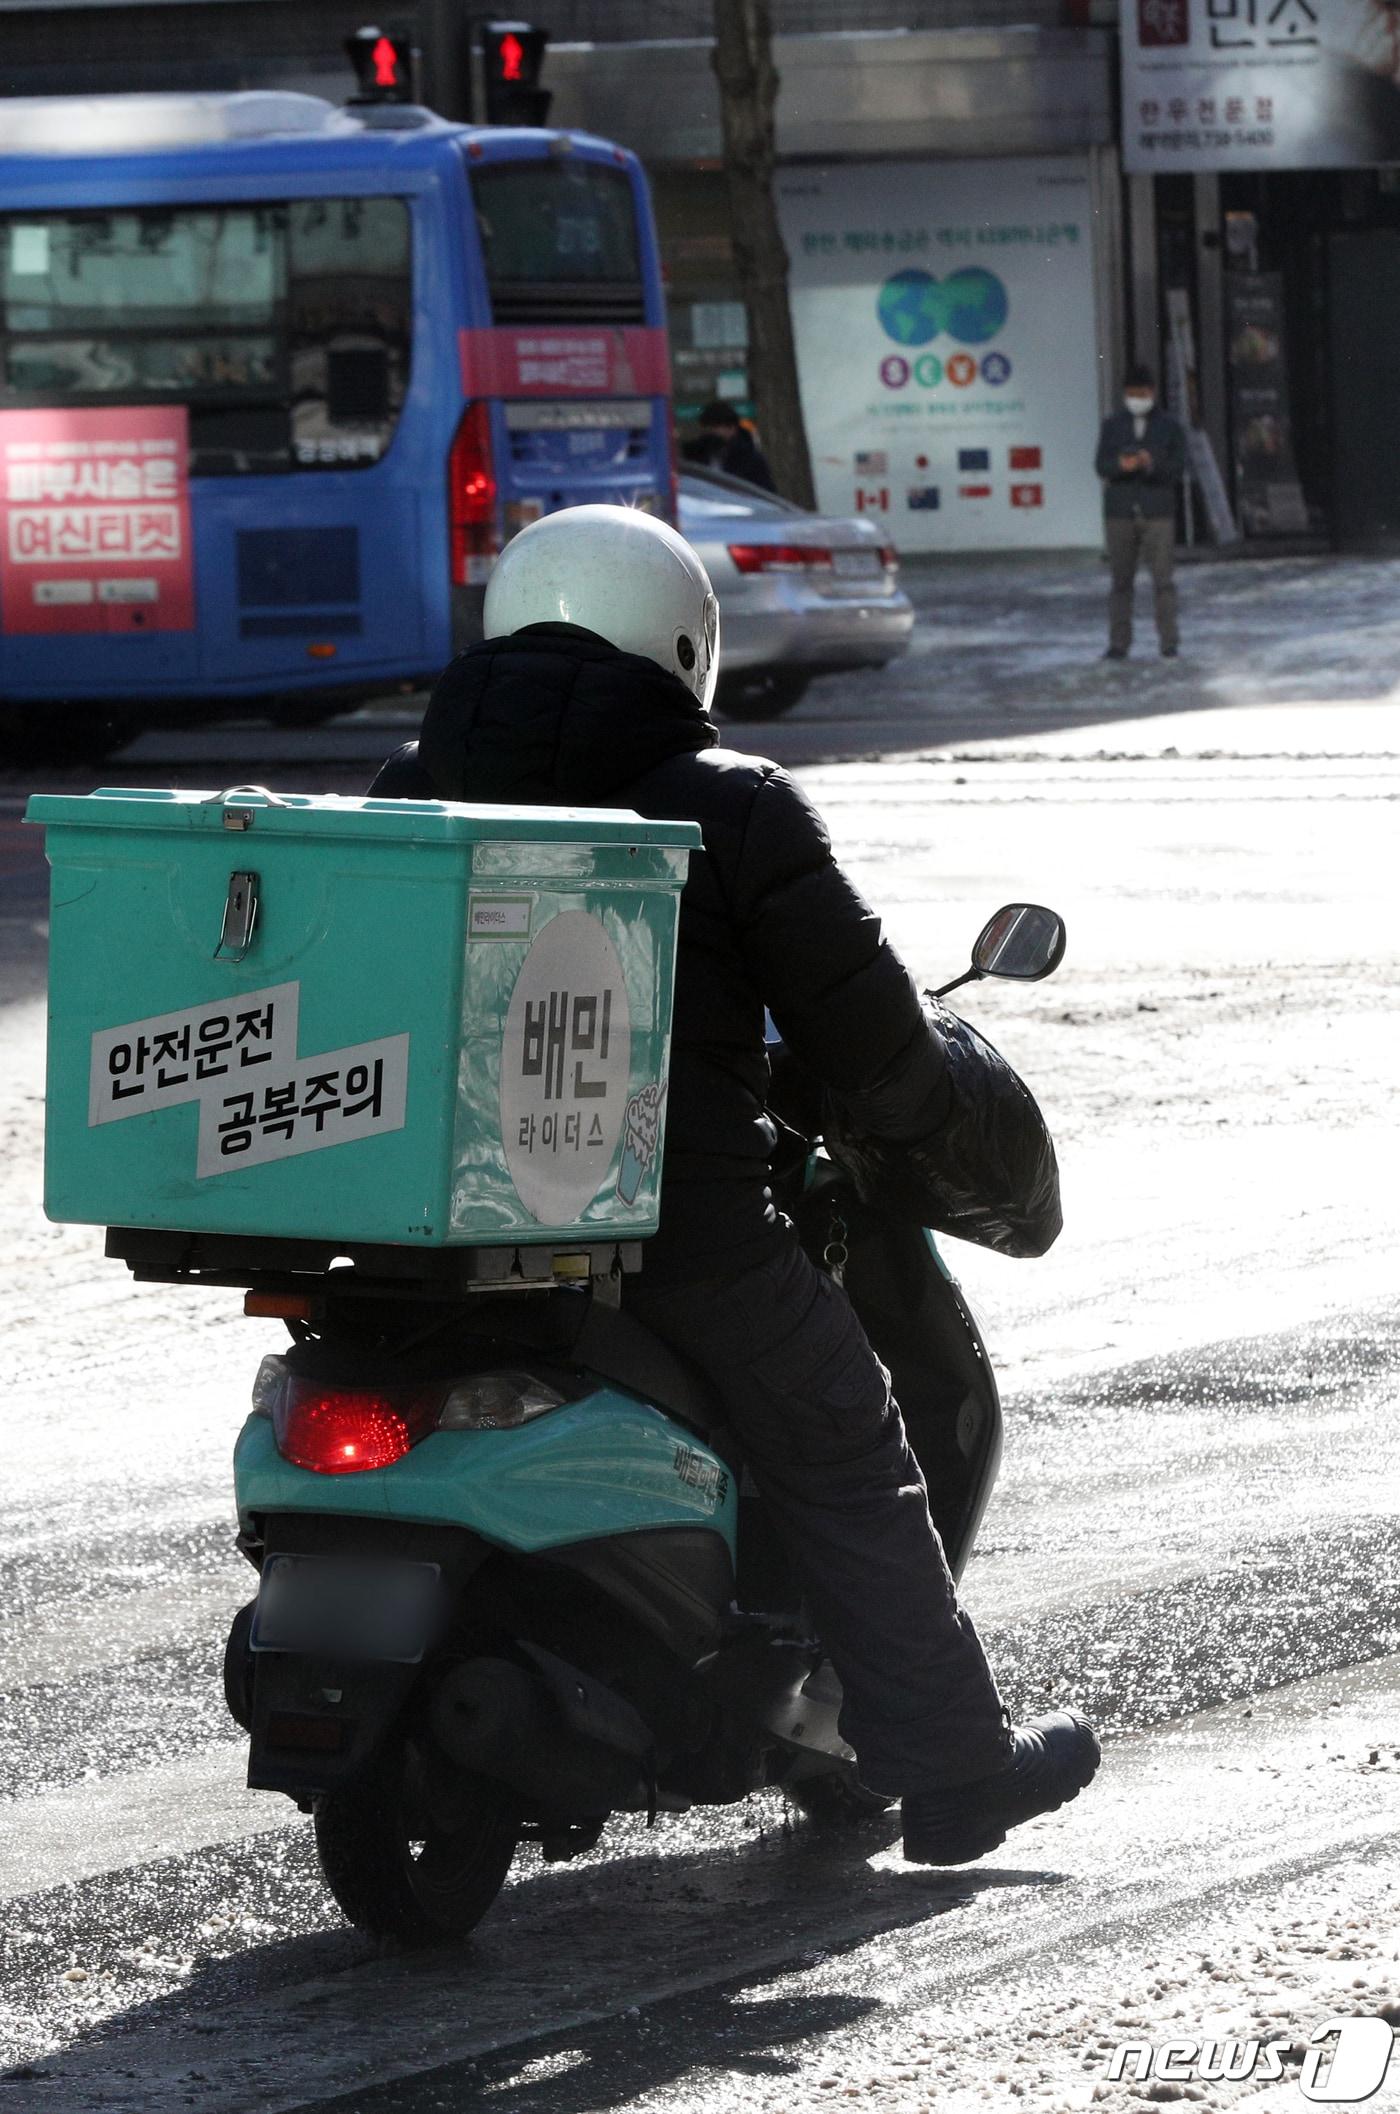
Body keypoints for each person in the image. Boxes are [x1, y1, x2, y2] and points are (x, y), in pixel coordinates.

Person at [371, 507, 1099, 1865]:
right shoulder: (733, 801)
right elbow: (874, 1042)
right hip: (676, 1236)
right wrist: (927, 1112)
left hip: (426, 1235)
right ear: (685, 642)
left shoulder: (412, 785)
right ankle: (948, 1772)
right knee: (846, 1435)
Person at [1094, 363, 1186, 660]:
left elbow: (1177, 468)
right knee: (1120, 582)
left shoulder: (1170, 426)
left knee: (1163, 581)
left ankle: (1169, 642)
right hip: (1120, 511)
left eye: (1142, 393)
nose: (1137, 398)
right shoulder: (1112, 425)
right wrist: (1121, 465)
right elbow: (1100, 465)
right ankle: (1119, 643)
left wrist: (1151, 463)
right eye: (1132, 393)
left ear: (1153, 392)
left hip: (1157, 510)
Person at [680, 399, 778, 493]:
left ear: (731, 429)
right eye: (707, 428)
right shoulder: (696, 455)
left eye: (715, 427)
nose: (710, 432)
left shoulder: (749, 459)